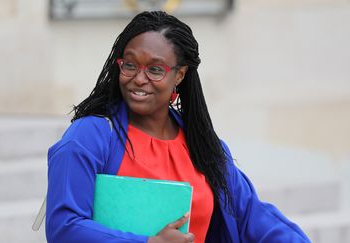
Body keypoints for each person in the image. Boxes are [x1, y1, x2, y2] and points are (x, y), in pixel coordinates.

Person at [46, 11, 310, 243]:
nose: (139, 79)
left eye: (155, 70)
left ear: (179, 75)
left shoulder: (203, 146)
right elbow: (64, 227)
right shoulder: (91, 136)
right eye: (130, 65)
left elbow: (251, 214)